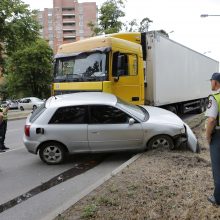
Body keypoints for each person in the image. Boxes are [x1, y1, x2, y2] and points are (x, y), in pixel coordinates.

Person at [205, 72, 220, 205]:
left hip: (218, 137)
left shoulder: (215, 97)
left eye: (211, 81)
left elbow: (211, 120)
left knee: (217, 167)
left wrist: (208, 136)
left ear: (215, 82)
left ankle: (218, 198)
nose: (210, 83)